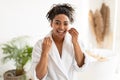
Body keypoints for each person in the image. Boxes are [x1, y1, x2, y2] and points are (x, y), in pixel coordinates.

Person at [31, 3, 90, 80]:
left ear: (69, 24)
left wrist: (75, 43)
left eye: (65, 23)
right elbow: (39, 76)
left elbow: (81, 66)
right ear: (51, 23)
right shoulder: (40, 44)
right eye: (57, 23)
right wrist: (44, 53)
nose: (61, 27)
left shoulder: (75, 41)